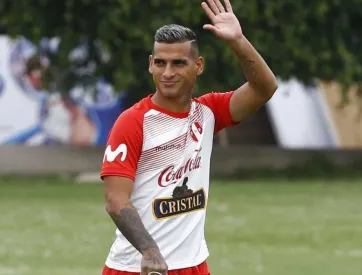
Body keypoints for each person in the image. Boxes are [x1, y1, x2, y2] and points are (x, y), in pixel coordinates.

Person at [100, 0, 278, 274]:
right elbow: (115, 200)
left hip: (194, 266)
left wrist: (238, 41)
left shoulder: (208, 113)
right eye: (160, 63)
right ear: (150, 65)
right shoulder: (133, 121)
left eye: (179, 63)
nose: (168, 73)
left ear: (199, 66)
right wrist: (149, 250)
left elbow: (265, 88)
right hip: (137, 267)